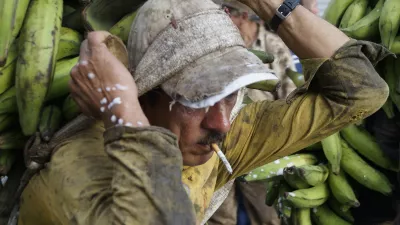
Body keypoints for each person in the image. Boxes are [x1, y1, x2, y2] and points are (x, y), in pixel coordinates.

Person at [18, 0, 391, 224]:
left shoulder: (222, 138)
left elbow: (360, 92)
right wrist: (120, 105)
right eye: (197, 98)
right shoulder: (77, 167)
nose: (222, 123)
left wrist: (268, 7)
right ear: (144, 94)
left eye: (230, 95)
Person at [208, 1, 320, 224]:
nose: (223, 18)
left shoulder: (273, 45)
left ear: (242, 16)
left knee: (268, 214)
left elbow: (291, 96)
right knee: (217, 215)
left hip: (261, 141)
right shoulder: (219, 45)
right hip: (219, 142)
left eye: (226, 13)